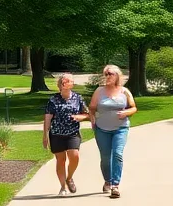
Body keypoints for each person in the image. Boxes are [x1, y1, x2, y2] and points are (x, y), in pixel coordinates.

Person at [89, 65, 136, 199]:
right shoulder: (99, 91)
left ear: (117, 76)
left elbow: (133, 107)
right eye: (106, 74)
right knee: (105, 158)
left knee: (117, 154)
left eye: (110, 74)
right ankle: (107, 181)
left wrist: (126, 112)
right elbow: (92, 108)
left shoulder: (124, 91)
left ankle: (115, 185)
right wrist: (92, 118)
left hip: (120, 128)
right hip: (102, 129)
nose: (108, 76)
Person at [44, 73, 90, 196]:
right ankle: (63, 187)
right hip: (56, 134)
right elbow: (48, 118)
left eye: (70, 81)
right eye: (66, 81)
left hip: (72, 133)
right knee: (61, 160)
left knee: (74, 156)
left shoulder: (77, 98)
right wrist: (45, 135)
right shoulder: (53, 100)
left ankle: (69, 178)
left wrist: (80, 117)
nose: (70, 83)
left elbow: (87, 114)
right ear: (61, 84)